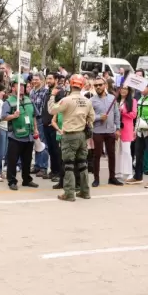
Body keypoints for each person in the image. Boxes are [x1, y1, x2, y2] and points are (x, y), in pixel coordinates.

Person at [48, 74, 95, 202]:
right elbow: (92, 118)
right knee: (82, 164)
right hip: (82, 135)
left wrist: (52, 96)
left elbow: (52, 110)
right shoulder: (87, 101)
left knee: (68, 164)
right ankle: (85, 191)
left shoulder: (67, 100)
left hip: (70, 135)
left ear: (71, 84)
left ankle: (69, 193)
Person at [1, 76, 40, 191]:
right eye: (19, 85)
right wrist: (13, 116)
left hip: (29, 136)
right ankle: (12, 181)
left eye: (23, 85)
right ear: (13, 87)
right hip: (15, 136)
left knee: (27, 160)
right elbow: (3, 117)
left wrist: (36, 129)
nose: (22, 88)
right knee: (12, 160)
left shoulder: (29, 100)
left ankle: (27, 179)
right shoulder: (8, 102)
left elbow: (33, 116)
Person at [90, 76, 121, 187]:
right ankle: (96, 179)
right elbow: (88, 117)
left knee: (112, 155)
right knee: (97, 156)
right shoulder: (91, 101)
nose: (98, 87)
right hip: (98, 131)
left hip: (110, 131)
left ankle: (112, 178)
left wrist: (117, 128)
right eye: (96, 85)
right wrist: (99, 117)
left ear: (105, 85)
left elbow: (117, 114)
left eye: (100, 84)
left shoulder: (112, 98)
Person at [116, 84, 137, 183]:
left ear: (129, 91)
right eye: (122, 88)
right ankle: (118, 171)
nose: (123, 90)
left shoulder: (133, 101)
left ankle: (129, 173)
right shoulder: (116, 101)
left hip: (127, 128)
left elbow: (133, 115)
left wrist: (122, 111)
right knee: (118, 151)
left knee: (126, 151)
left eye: (125, 89)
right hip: (117, 128)